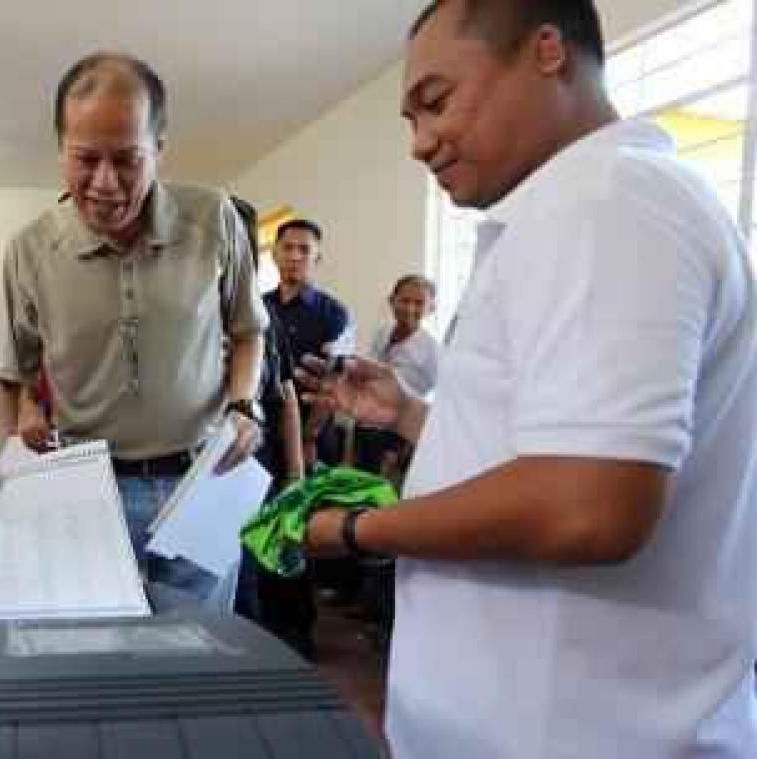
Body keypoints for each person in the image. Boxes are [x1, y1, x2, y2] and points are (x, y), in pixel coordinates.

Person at [300, 2, 757, 756]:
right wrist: (416, 416)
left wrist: (354, 529)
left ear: (547, 51)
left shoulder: (608, 202)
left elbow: (588, 504)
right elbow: (562, 443)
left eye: (436, 102)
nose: (420, 143)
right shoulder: (581, 209)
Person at [0, 52, 268, 609]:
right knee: (97, 652)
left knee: (198, 655)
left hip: (200, 480)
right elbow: (4, 376)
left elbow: (248, 330)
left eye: (127, 160)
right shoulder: (30, 251)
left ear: (160, 149)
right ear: (59, 152)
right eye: (85, 159)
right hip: (84, 489)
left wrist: (244, 406)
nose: (105, 183)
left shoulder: (212, 219)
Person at [230, 197, 312, 657]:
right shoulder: (188, 308)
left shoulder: (264, 319)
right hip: (195, 469)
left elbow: (285, 396)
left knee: (257, 569)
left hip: (256, 464)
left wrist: (297, 473)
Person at [263, 218, 355, 467]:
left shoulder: (335, 313)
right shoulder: (259, 306)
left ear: (317, 258)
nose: (294, 256)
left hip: (311, 436)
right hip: (263, 433)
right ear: (275, 254)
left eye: (304, 250)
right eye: (287, 248)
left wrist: (309, 438)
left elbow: (334, 380)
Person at [355, 274, 441, 476]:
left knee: (385, 490)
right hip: (366, 423)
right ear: (391, 301)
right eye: (404, 300)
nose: (410, 308)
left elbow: (440, 399)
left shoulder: (431, 350)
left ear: (431, 308)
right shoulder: (382, 332)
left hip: (397, 434)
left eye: (419, 303)